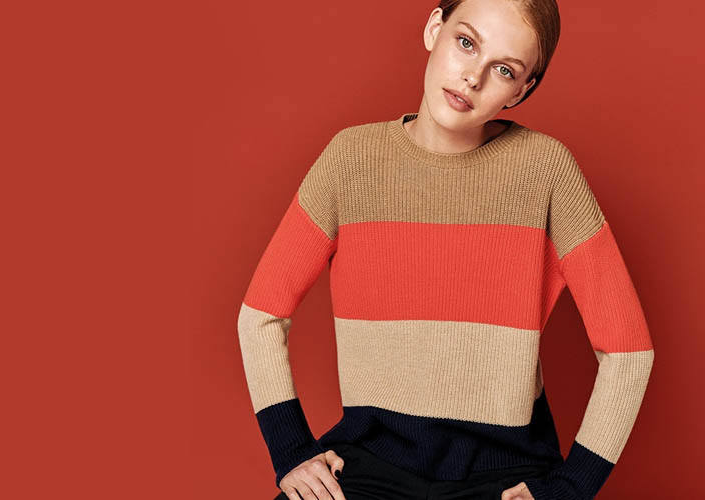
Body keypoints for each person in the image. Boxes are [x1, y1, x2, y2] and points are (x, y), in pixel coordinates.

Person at [236, 0, 655, 499]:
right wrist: (290, 451)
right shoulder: (350, 160)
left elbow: (628, 350)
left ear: (523, 90)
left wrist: (571, 488)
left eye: (504, 69)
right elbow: (260, 315)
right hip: (369, 462)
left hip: (507, 472)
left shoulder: (547, 171)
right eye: (466, 42)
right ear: (435, 28)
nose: (473, 77)